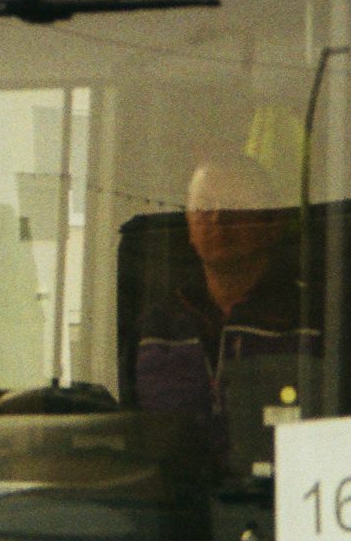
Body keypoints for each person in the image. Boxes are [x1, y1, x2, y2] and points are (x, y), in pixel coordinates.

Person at [132, 153, 317, 471]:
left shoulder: (313, 320)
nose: (218, 218)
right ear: (189, 225)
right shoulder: (154, 328)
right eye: (204, 206)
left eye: (234, 205)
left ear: (273, 222)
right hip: (171, 510)